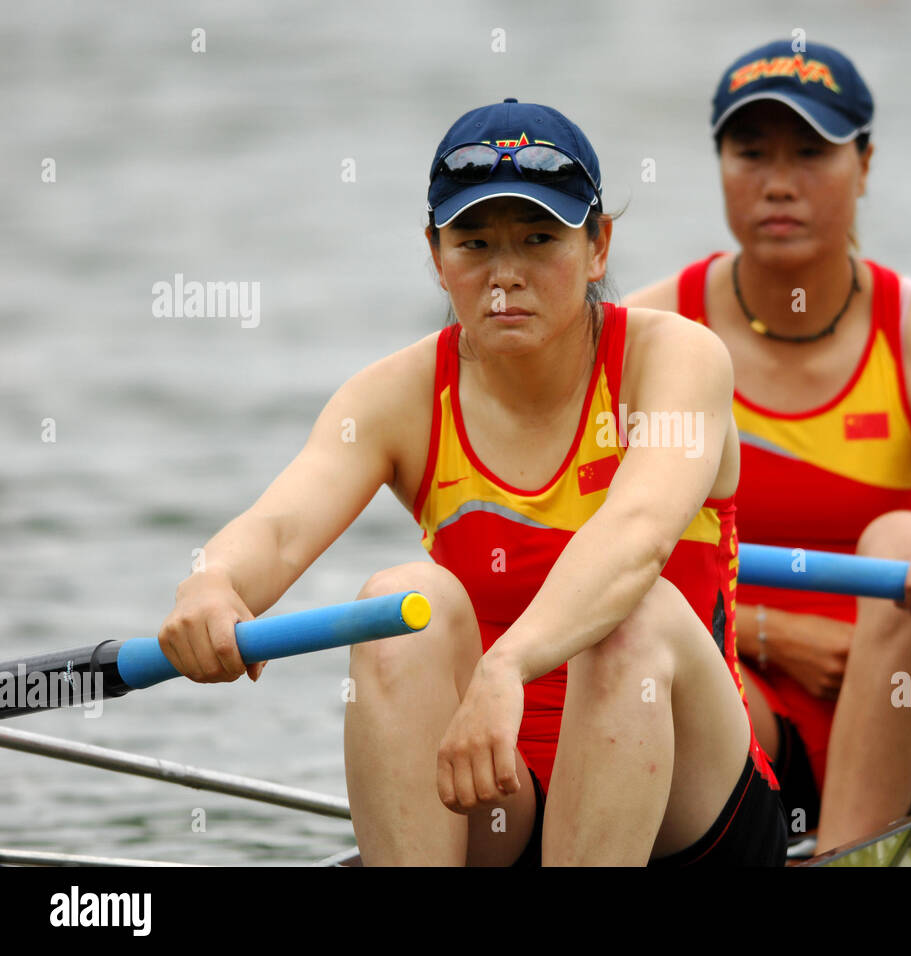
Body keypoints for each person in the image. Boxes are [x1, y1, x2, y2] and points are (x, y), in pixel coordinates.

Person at [158, 98, 786, 866]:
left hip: (691, 807)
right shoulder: (396, 395)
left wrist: (506, 665)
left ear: (598, 247)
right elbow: (279, 528)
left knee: (635, 614)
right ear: (435, 252)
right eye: (475, 243)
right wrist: (213, 584)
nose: (506, 274)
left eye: (539, 239)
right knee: (395, 607)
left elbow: (636, 539)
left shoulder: (676, 359)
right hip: (498, 791)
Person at [625, 41, 911, 855]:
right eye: (751, 153)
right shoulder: (650, 338)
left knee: (904, 541)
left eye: (812, 152)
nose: (779, 182)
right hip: (750, 704)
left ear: (865, 164)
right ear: (719, 163)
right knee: (637, 651)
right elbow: (583, 552)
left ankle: (848, 849)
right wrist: (763, 631)